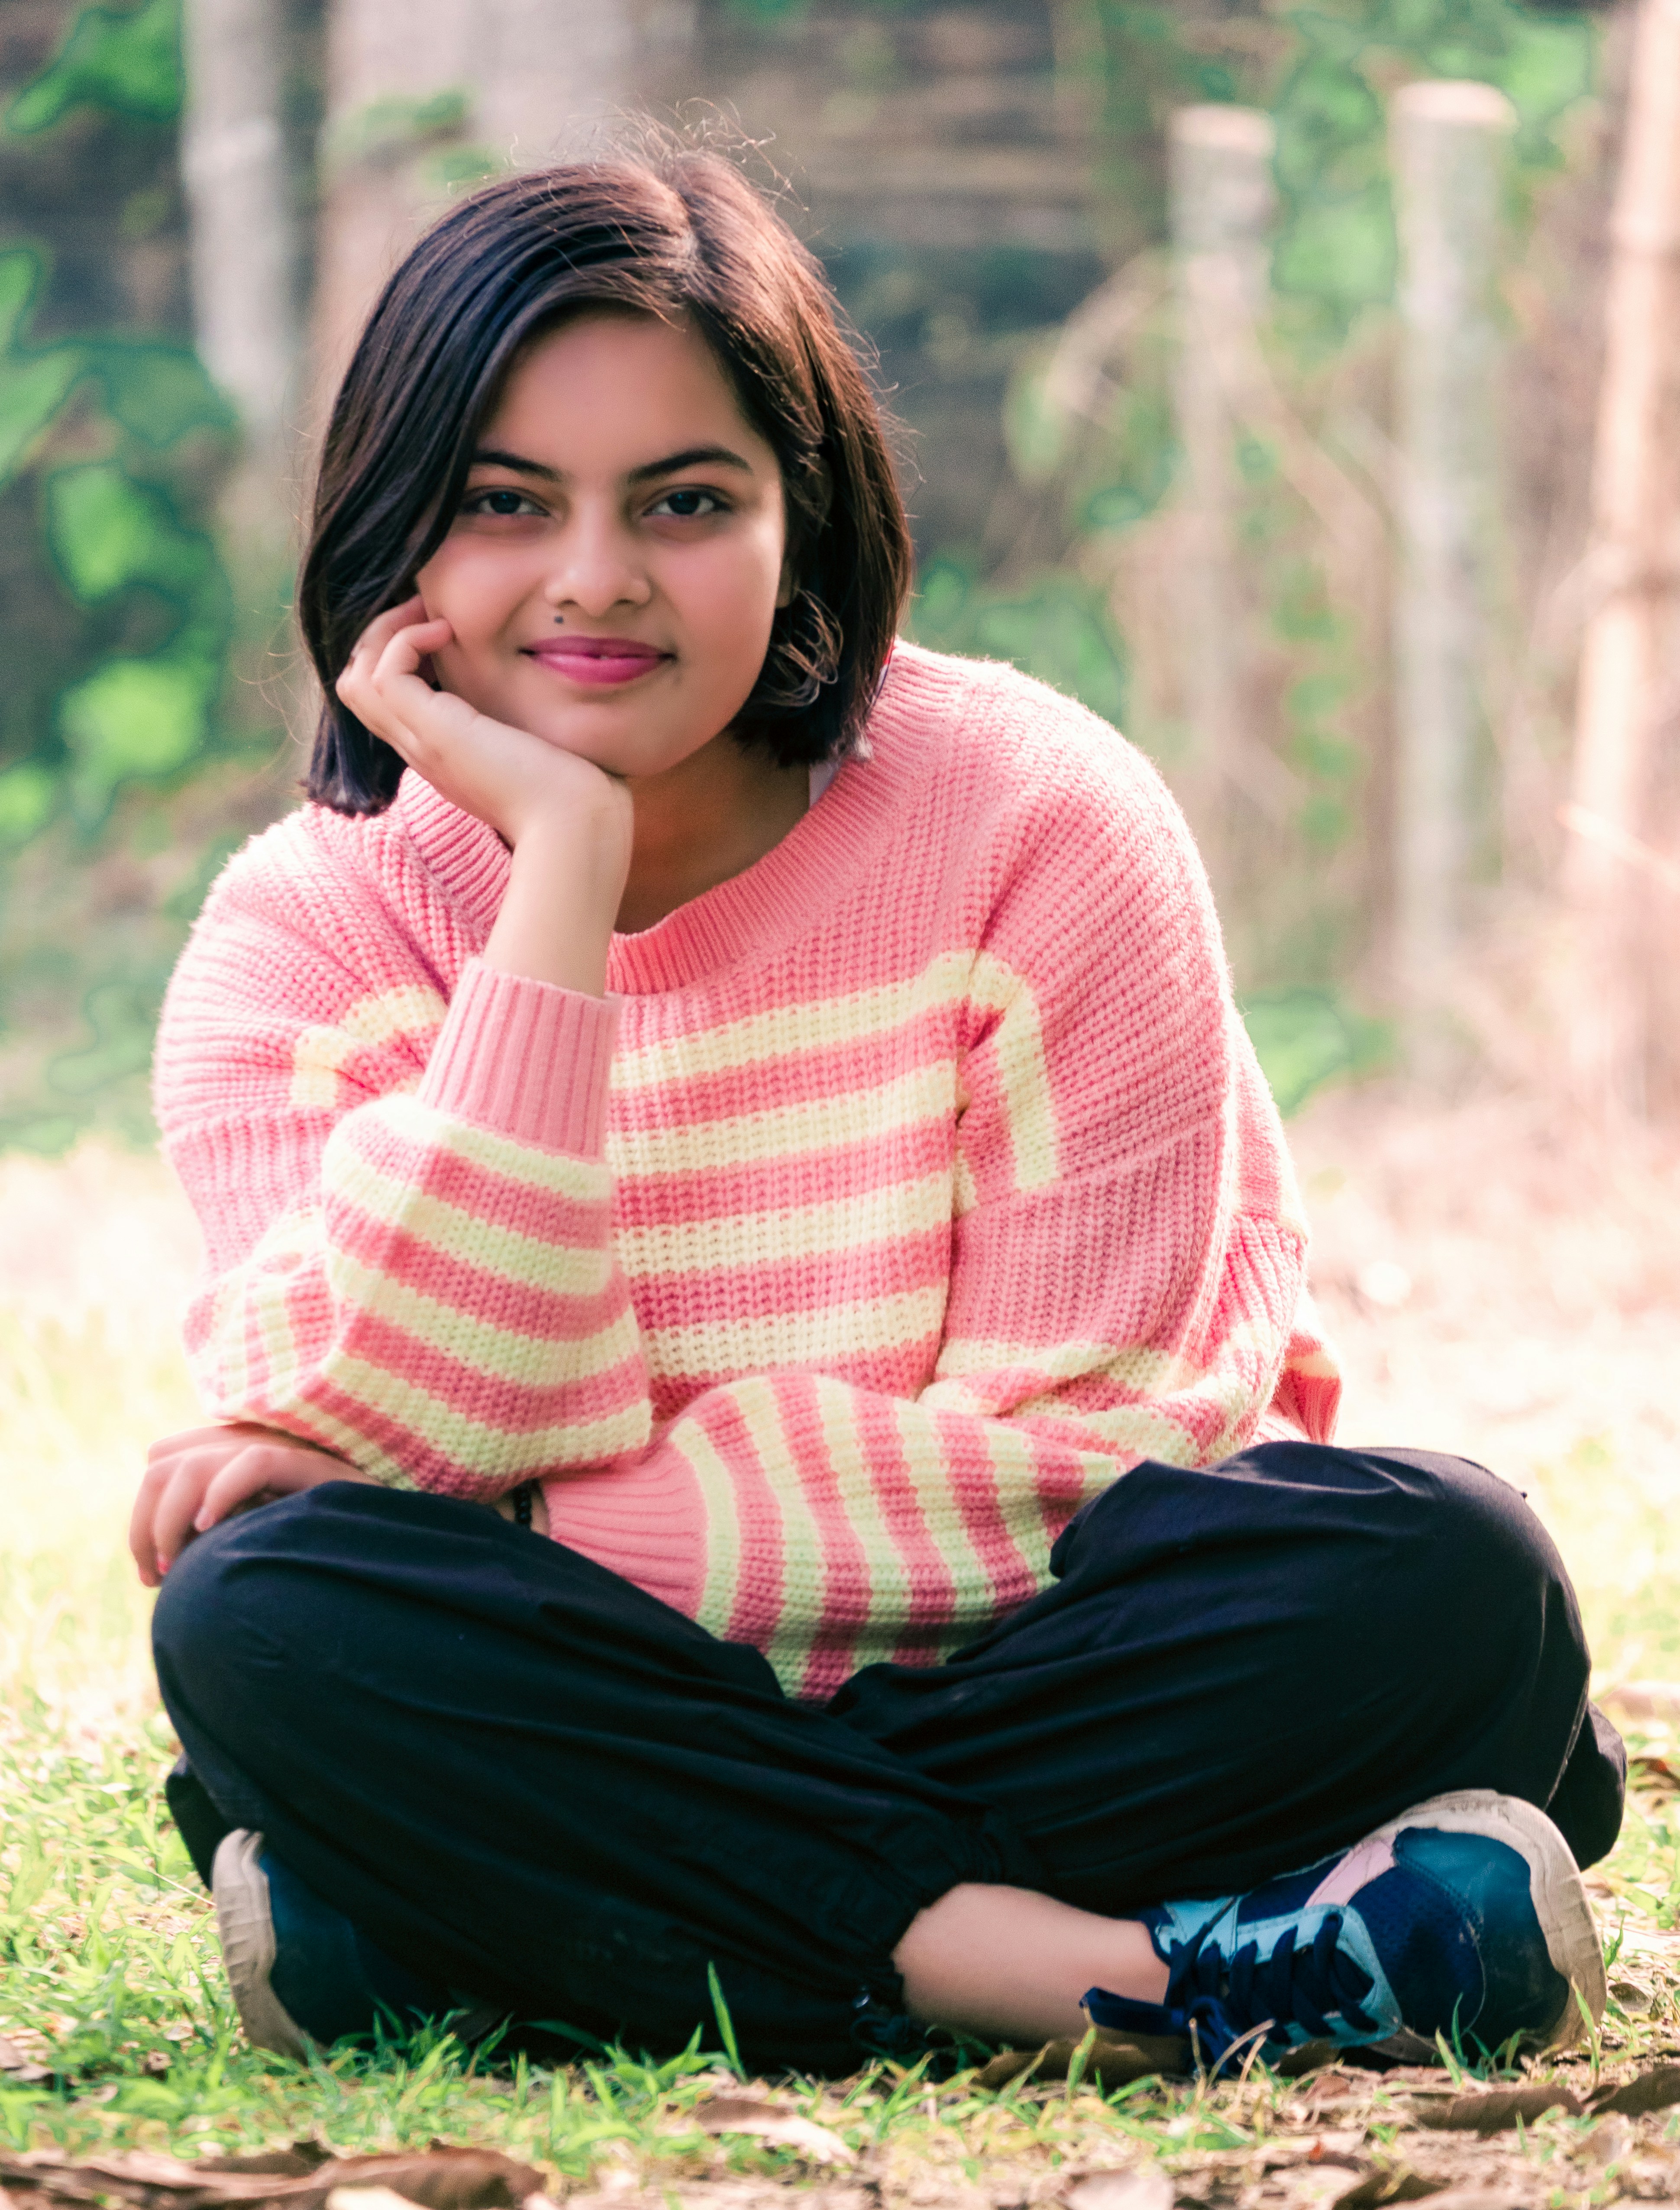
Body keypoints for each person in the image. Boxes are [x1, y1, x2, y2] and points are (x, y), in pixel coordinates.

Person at [132, 136, 1622, 2079]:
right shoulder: (298, 943)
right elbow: (400, 1431)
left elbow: (1100, 1455)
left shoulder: (1037, 821)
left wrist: (538, 1529)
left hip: (989, 1662)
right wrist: (558, 878)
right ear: (399, 536)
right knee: (273, 1615)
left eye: (684, 501)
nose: (593, 580)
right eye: (508, 504)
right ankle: (1163, 1981)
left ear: (799, 522)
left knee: (1447, 1579)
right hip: (732, 1704)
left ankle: (492, 1925)